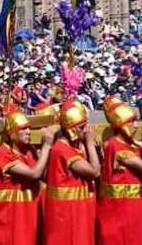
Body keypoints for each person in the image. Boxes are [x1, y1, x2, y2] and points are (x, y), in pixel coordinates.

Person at [0, 111, 54, 245]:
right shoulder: (4, 153)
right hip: (11, 216)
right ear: (13, 132)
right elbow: (34, 174)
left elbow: (43, 174)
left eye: (29, 128)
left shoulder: (28, 149)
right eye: (23, 129)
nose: (29, 132)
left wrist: (43, 154)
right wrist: (46, 147)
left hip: (28, 213)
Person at [44, 99, 101, 245]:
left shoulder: (73, 147)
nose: (86, 130)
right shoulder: (63, 149)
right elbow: (95, 171)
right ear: (72, 130)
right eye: (82, 127)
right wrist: (90, 144)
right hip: (68, 213)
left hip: (77, 209)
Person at [98, 99, 142, 245]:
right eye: (131, 121)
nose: (135, 125)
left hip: (132, 205)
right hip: (121, 207)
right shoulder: (117, 147)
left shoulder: (129, 144)